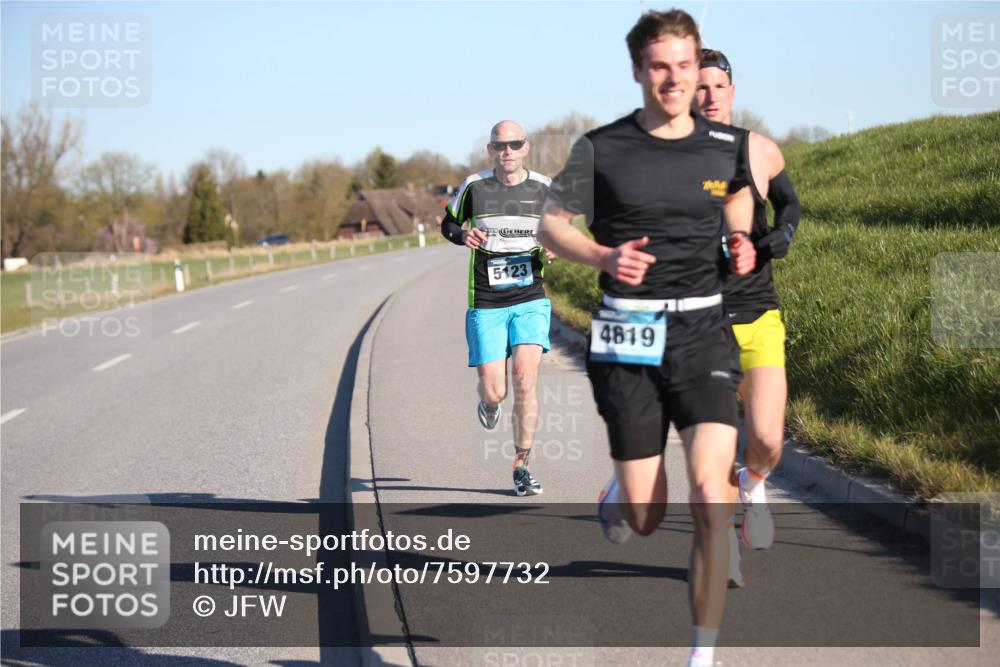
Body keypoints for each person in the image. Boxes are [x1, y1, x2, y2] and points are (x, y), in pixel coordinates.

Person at [538, 10, 755, 667]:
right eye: (659, 66)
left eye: (685, 66)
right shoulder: (602, 147)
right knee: (646, 515)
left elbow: (740, 193)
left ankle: (701, 657)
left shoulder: (725, 144)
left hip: (702, 328)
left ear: (698, 68)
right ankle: (620, 490)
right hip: (627, 329)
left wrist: (740, 237)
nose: (674, 79)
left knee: (713, 493)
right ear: (638, 70)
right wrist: (602, 258)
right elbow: (551, 224)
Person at [696, 49, 802, 550]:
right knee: (714, 455)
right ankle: (724, 556)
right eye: (700, 86)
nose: (710, 95)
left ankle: (753, 486)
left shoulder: (759, 150)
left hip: (759, 314)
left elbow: (791, 204)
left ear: (732, 92)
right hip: (701, 326)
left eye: (718, 86)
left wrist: (785, 233)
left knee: (766, 440)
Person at [441, 120, 553, 497]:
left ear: (525, 148)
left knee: (525, 378)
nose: (507, 151)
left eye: (514, 144)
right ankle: (488, 404)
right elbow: (448, 224)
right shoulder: (474, 186)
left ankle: (522, 466)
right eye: (499, 145)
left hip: (530, 297)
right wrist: (462, 234)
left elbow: (559, 232)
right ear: (491, 150)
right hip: (487, 299)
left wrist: (555, 246)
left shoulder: (544, 188)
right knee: (495, 391)